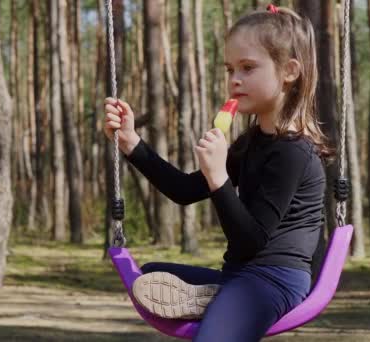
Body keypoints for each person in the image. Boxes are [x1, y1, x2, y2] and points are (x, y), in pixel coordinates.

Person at [103, 4, 332, 341]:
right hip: (240, 275)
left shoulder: (293, 152)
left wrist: (218, 179)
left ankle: (222, 304)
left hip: (275, 279)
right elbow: (183, 190)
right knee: (149, 277)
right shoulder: (253, 141)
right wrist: (132, 143)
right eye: (229, 69)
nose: (234, 79)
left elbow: (252, 241)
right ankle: (218, 299)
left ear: (289, 71)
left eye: (248, 67)